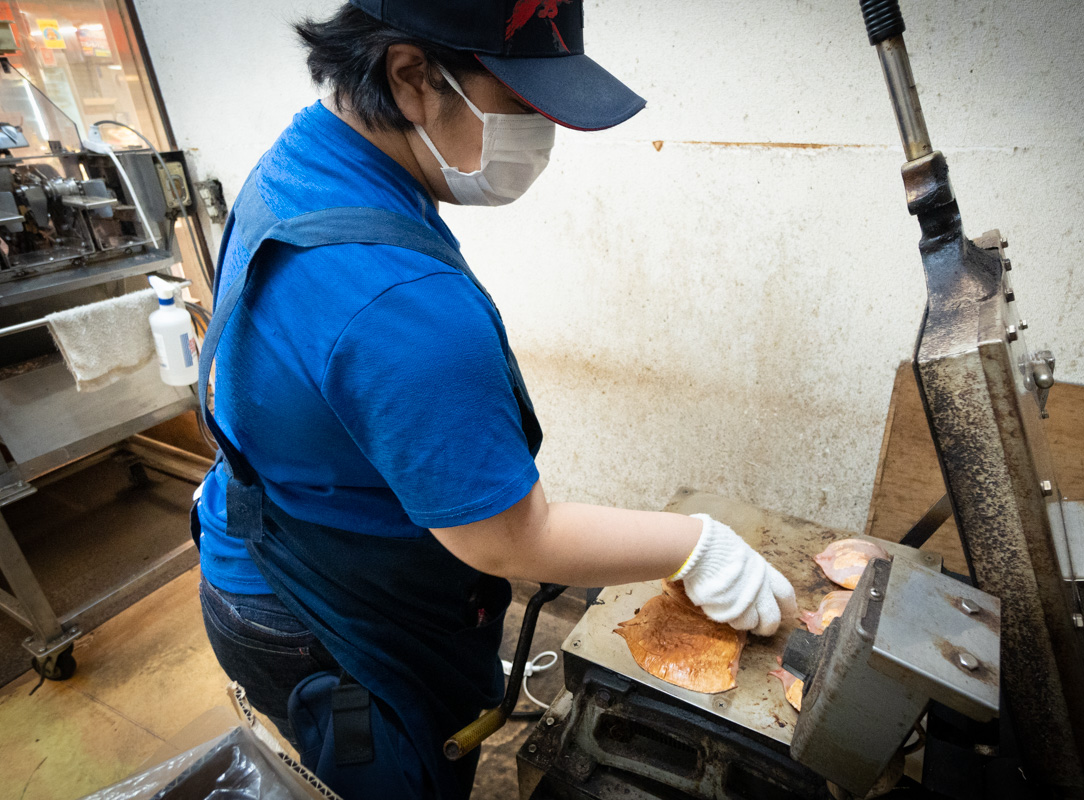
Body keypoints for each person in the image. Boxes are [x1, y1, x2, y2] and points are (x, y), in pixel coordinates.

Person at [192, 2, 797, 797]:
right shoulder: (397, 303)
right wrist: (695, 545)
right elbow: (509, 540)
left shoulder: (310, 159)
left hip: (271, 536)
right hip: (315, 616)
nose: (540, 135)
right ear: (412, 77)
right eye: (522, 105)